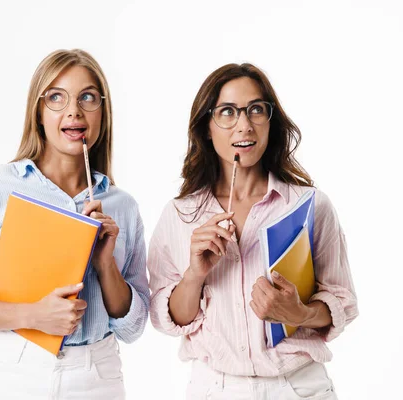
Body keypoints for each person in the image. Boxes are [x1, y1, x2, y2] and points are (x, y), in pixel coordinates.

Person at [0, 49, 149, 400]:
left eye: (87, 97)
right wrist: (33, 315)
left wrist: (105, 264)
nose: (74, 111)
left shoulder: (122, 206)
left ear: (103, 110)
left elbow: (133, 327)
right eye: (56, 97)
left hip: (98, 377)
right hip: (14, 372)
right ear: (38, 112)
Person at [148, 63, 358, 399]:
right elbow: (167, 318)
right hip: (215, 388)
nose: (244, 125)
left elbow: (343, 301)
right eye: (228, 112)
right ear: (206, 127)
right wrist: (194, 275)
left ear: (270, 122)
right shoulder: (180, 214)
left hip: (299, 387)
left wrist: (299, 313)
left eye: (256, 110)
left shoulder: (310, 205)